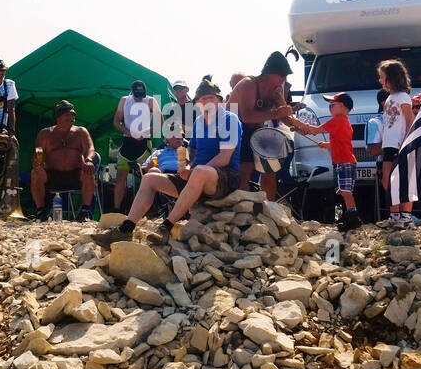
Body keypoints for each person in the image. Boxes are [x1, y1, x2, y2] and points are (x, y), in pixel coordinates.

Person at [94, 76, 242, 246]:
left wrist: (193, 171)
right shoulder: (199, 122)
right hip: (197, 177)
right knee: (149, 178)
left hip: (223, 178)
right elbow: (190, 151)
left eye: (211, 98)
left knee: (200, 171)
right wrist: (185, 166)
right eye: (203, 99)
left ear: (219, 100)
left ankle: (166, 227)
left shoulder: (230, 119)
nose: (207, 102)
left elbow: (224, 158)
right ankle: (125, 229)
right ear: (197, 104)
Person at [284, 92, 361, 231]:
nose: (330, 107)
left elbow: (316, 130)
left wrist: (297, 123)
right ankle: (350, 216)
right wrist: (326, 144)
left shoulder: (338, 120)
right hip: (343, 161)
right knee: (342, 190)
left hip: (344, 161)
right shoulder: (343, 122)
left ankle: (353, 216)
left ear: (342, 106)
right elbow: (340, 141)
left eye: (333, 105)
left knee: (345, 190)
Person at [231, 52, 293, 200]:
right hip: (235, 129)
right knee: (245, 169)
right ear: (268, 74)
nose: (283, 79)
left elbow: (285, 117)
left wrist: (305, 128)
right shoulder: (248, 84)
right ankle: (241, 208)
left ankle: (269, 208)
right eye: (281, 75)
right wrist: (276, 113)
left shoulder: (276, 90)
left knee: (269, 168)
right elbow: (246, 116)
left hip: (255, 129)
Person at [31, 100, 96, 220]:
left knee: (88, 171)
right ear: (58, 117)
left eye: (73, 115)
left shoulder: (81, 132)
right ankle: (40, 211)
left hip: (76, 174)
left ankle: (85, 210)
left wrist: (88, 160)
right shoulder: (45, 133)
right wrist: (37, 162)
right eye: (68, 115)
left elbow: (91, 149)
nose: (71, 118)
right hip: (52, 176)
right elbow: (38, 152)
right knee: (36, 173)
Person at [376, 59, 415, 225]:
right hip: (389, 144)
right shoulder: (390, 97)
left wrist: (407, 142)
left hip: (400, 144)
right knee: (387, 180)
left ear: (391, 78)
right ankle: (395, 215)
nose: (379, 80)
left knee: (403, 180)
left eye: (381, 77)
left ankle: (405, 216)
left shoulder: (403, 97)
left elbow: (409, 120)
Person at [113, 79, 159, 211]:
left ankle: (148, 210)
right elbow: (116, 122)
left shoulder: (150, 100)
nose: (139, 98)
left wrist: (143, 132)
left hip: (144, 142)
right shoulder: (124, 100)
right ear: (131, 92)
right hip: (128, 141)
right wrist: (128, 132)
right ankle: (117, 210)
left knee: (147, 176)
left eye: (142, 95)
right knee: (120, 176)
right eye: (137, 95)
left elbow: (159, 122)